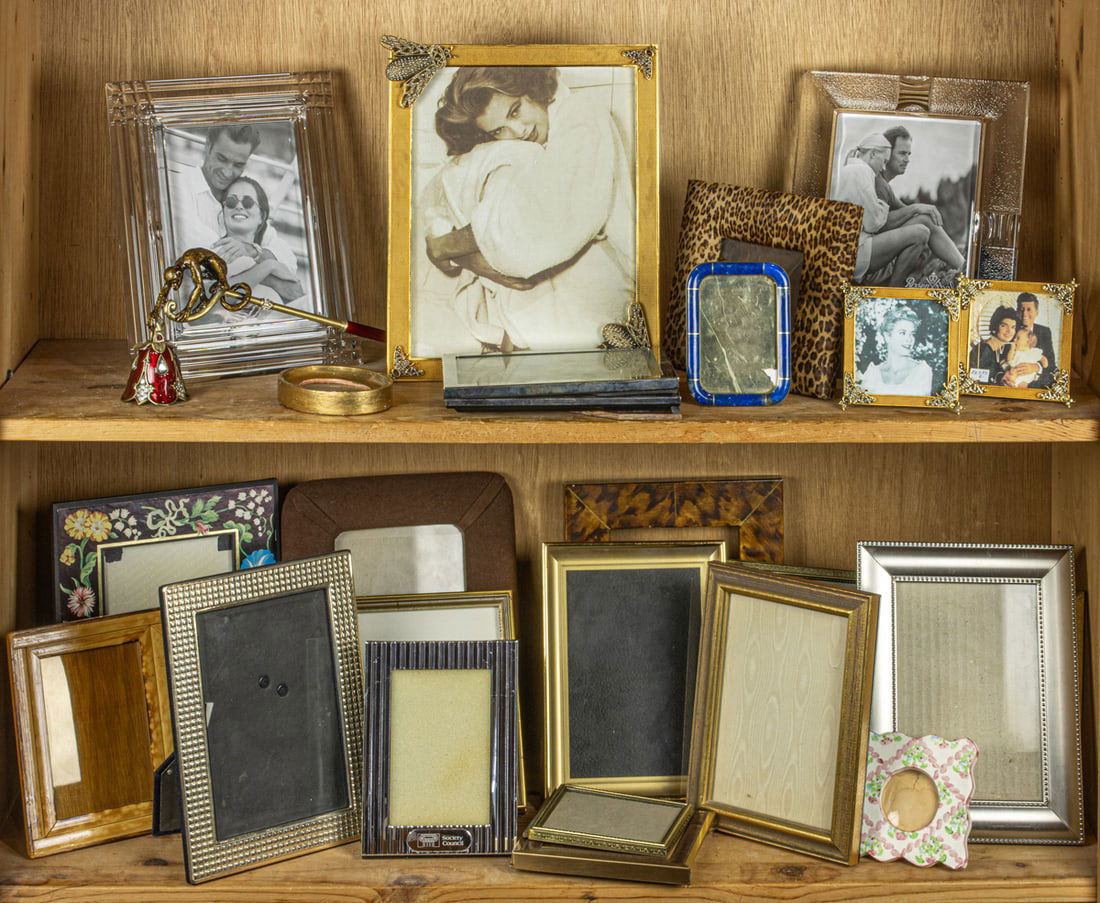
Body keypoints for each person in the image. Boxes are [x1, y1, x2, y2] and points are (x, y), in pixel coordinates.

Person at [418, 66, 634, 353]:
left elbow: (536, 229)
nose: (517, 131)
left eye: (516, 111)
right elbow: (442, 187)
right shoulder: (525, 149)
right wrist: (459, 253)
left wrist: (446, 248)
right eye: (498, 130)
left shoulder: (583, 116)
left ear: (532, 90)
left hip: (608, 298)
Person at [830, 133, 931, 287]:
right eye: (884, 161)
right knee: (921, 233)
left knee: (919, 227)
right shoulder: (861, 172)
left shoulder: (846, 170)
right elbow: (874, 224)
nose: (884, 167)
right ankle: (892, 294)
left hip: (840, 250)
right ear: (873, 154)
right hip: (852, 254)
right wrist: (883, 207)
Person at [873, 125, 966, 278]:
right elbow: (878, 226)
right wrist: (916, 207)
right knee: (923, 223)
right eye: (902, 153)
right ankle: (963, 267)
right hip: (865, 253)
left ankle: (962, 265)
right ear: (887, 153)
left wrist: (921, 211)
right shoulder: (878, 183)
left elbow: (907, 213)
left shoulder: (883, 183)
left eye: (908, 154)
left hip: (875, 248)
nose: (907, 160)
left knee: (924, 219)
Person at [171, 125, 262, 251]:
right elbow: (200, 247)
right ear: (208, 147)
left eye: (238, 165)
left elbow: (283, 253)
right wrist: (253, 253)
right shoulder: (176, 182)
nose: (227, 172)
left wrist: (254, 252)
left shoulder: (242, 192)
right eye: (221, 159)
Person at [216, 176, 303, 305]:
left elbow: (295, 292)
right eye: (231, 202)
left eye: (248, 203)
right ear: (223, 211)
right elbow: (214, 297)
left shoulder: (279, 246)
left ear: (261, 217)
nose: (239, 206)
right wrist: (269, 267)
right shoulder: (214, 247)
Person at [859, 306, 933, 395]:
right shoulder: (873, 373)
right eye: (902, 333)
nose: (909, 339)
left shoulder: (922, 372)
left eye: (912, 334)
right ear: (887, 336)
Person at [1002, 291, 1055, 388]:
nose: (1024, 313)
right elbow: (1001, 360)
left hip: (1033, 381)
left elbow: (1051, 363)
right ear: (1017, 312)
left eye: (1029, 309)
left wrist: (1037, 367)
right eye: (1021, 309)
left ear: (1037, 312)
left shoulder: (1044, 331)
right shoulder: (1011, 330)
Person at [968, 305, 1018, 386]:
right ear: (995, 326)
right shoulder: (984, 350)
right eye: (1004, 326)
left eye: (1013, 327)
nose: (1009, 331)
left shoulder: (1001, 350)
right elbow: (977, 382)